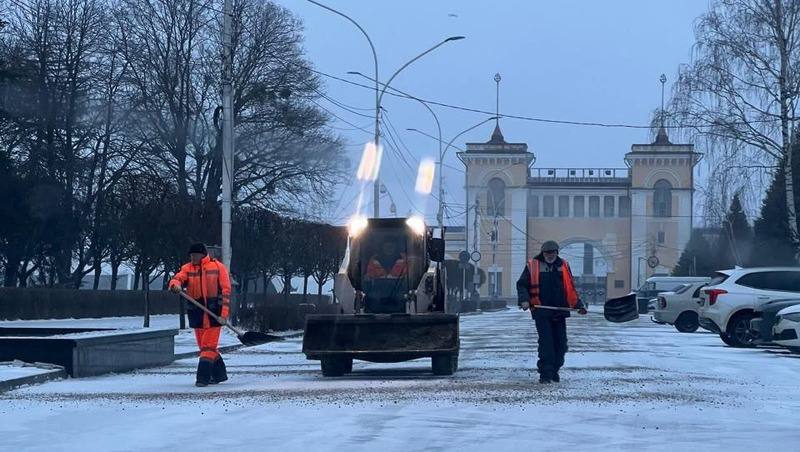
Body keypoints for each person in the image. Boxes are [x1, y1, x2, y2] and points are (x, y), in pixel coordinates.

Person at [516, 240, 587, 384]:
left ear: (557, 252)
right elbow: (522, 284)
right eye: (547, 253)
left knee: (561, 344)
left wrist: (578, 305)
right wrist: (524, 300)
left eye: (552, 252)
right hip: (541, 311)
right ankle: (546, 374)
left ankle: (555, 369)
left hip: (560, 310)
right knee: (546, 343)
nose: (550, 255)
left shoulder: (564, 265)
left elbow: (570, 288)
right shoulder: (533, 265)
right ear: (543, 253)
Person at [169, 243, 232, 387]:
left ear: (202, 255)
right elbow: (178, 278)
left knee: (208, 348)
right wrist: (174, 284)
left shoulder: (217, 268)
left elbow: (226, 292)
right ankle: (219, 375)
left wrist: (223, 314)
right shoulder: (187, 268)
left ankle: (202, 378)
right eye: (191, 256)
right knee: (205, 347)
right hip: (197, 314)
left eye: (195, 255)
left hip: (214, 314)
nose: (192, 258)